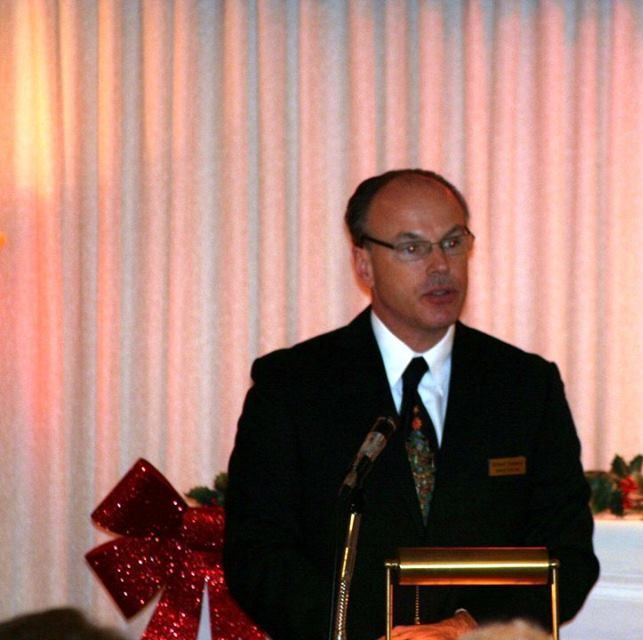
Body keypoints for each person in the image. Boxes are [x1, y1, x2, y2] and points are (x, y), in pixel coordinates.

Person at [224, 169, 599, 640]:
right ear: (364, 263)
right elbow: (258, 555)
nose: (440, 265)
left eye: (453, 242)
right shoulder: (294, 386)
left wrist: (467, 629)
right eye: (412, 247)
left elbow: (567, 554)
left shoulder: (524, 387)